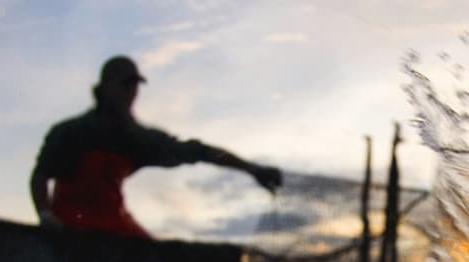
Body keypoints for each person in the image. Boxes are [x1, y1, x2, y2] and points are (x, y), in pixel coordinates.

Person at [30, 55, 282, 238]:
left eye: (135, 87)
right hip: (69, 229)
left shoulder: (139, 140)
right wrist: (45, 215)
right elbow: (40, 177)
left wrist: (252, 169)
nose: (131, 93)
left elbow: (200, 152)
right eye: (124, 84)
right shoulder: (70, 132)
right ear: (104, 86)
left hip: (116, 228)